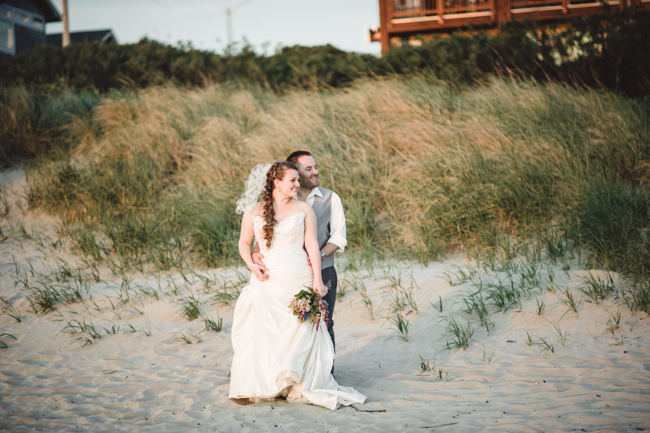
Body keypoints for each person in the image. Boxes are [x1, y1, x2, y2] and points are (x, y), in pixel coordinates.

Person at [228, 161, 365, 410]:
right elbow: (243, 242)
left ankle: (296, 384)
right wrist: (252, 264)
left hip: (298, 275)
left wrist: (316, 279)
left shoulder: (303, 208)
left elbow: (312, 245)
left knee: (299, 329)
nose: (297, 184)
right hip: (267, 279)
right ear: (276, 183)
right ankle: (268, 381)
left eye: (297, 180)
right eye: (292, 180)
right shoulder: (254, 210)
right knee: (265, 332)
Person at [252, 151, 345, 358]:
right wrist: (256, 252)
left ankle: (326, 374)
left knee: (323, 321)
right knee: (290, 325)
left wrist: (317, 257)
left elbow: (339, 237)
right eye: (309, 169)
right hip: (286, 275)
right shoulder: (277, 201)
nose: (315, 172)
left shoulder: (330, 198)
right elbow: (266, 232)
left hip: (323, 270)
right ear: (294, 173)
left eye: (316, 167)